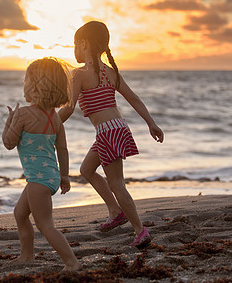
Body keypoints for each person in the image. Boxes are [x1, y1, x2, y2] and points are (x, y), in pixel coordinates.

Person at [58, 21, 164, 248]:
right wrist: (151, 123)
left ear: (84, 44)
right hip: (118, 128)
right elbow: (133, 98)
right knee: (86, 169)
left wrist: (48, 125)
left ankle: (140, 230)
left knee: (117, 184)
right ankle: (115, 211)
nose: (73, 50)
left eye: (75, 44)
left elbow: (68, 108)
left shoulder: (79, 75)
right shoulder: (111, 73)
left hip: (108, 132)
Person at [2, 57, 80, 271]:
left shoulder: (23, 114)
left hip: (38, 181)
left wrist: (9, 122)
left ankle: (72, 262)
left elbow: (9, 143)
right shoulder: (55, 118)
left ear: (35, 87)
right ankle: (27, 256)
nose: (24, 85)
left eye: (26, 81)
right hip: (49, 177)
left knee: (45, 225)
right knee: (20, 213)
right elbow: (62, 149)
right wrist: (64, 177)